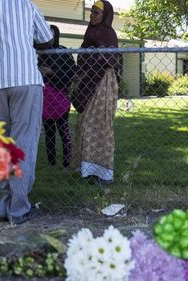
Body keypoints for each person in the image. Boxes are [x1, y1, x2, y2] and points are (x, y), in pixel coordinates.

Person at [0, 0, 53, 224]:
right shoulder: (27, 5)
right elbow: (47, 39)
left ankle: (0, 208)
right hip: (25, 78)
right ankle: (18, 209)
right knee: (22, 144)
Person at [72, 0, 120, 186]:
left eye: (96, 12)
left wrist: (92, 57)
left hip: (103, 84)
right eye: (91, 12)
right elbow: (86, 58)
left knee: (100, 126)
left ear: (105, 15)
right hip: (87, 83)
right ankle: (88, 170)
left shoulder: (108, 34)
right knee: (84, 125)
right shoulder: (89, 33)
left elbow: (105, 60)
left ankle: (103, 174)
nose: (92, 15)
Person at [38, 25, 76, 168]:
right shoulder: (42, 53)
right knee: (49, 134)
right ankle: (51, 163)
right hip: (46, 100)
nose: (49, 37)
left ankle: (66, 162)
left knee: (64, 132)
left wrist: (51, 72)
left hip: (60, 99)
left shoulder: (63, 52)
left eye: (52, 34)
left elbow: (71, 73)